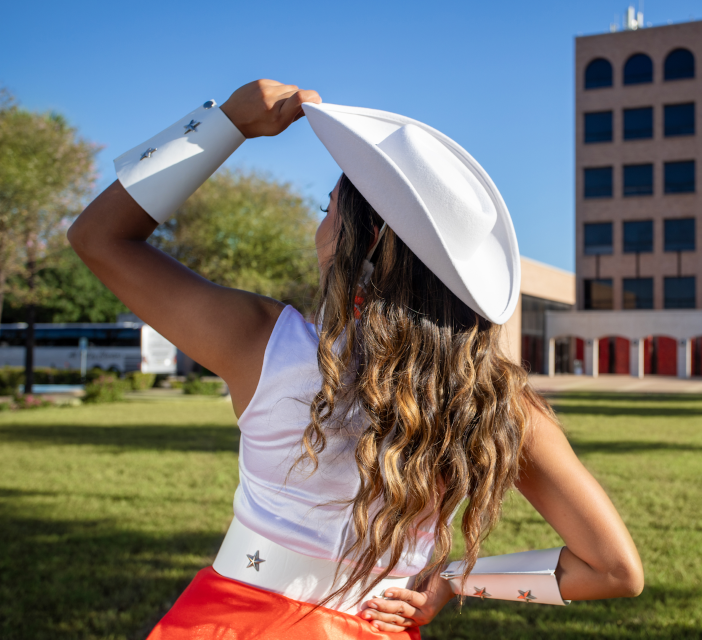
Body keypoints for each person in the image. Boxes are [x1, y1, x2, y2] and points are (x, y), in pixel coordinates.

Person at [69, 79, 643, 639]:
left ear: (363, 243)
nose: (318, 231)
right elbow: (614, 571)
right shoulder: (497, 403)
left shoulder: (263, 343)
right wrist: (456, 581)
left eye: (328, 212)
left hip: (229, 623)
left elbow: (100, 237)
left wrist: (226, 125)